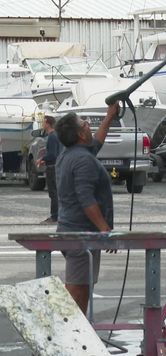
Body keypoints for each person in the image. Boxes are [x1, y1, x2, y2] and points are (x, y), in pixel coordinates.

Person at [55, 104, 119, 313]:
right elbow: (86, 198)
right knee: (78, 290)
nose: (89, 125)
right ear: (81, 134)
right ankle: (72, 335)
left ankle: (75, 332)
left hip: (71, 229)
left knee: (83, 284)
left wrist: (109, 118)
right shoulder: (83, 160)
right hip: (80, 235)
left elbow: (97, 142)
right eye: (85, 124)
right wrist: (104, 229)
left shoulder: (72, 153)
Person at [37, 115, 63, 224]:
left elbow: (52, 154)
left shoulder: (52, 136)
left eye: (43, 122)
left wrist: (42, 159)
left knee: (53, 193)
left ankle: (54, 217)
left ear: (48, 124)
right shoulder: (56, 135)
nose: (42, 124)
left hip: (52, 168)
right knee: (57, 193)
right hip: (57, 166)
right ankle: (58, 216)